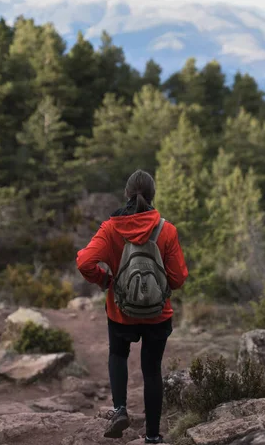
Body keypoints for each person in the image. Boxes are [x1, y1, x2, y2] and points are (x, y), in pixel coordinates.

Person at [77, 169, 188, 443]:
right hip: (158, 314)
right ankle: (152, 437)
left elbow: (84, 262)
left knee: (118, 355)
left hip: (121, 312)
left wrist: (106, 280)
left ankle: (120, 409)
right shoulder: (167, 230)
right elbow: (178, 278)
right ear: (152, 195)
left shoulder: (111, 228)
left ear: (127, 194)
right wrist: (158, 289)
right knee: (152, 371)